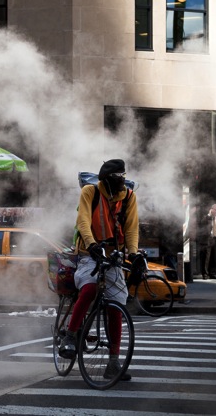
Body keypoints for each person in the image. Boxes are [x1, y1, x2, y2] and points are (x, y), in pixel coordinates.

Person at [59, 159, 142, 381]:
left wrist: (132, 254)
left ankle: (113, 362)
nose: (122, 182)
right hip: (89, 254)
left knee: (116, 307)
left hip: (114, 258)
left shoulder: (129, 197)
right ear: (106, 179)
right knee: (88, 290)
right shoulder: (90, 192)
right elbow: (83, 221)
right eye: (117, 178)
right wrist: (92, 244)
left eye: (123, 176)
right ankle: (70, 335)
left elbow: (131, 228)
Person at [198, 203, 216, 279]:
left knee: (214, 257)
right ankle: (205, 274)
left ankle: (212, 273)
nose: (214, 211)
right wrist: (209, 215)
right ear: (210, 209)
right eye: (213, 209)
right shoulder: (206, 218)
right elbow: (202, 224)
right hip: (207, 239)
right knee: (206, 257)